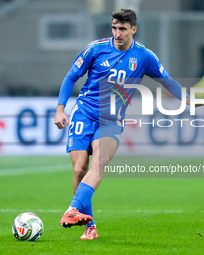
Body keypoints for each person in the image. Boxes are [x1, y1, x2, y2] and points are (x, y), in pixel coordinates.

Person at [54, 9, 190, 240]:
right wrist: (60, 109)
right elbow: (71, 77)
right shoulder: (95, 48)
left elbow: (167, 81)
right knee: (79, 170)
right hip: (84, 112)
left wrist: (187, 98)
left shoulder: (144, 56)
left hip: (112, 119)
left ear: (133, 30)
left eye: (123, 29)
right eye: (114, 28)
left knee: (99, 162)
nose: (117, 33)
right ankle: (90, 226)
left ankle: (72, 210)